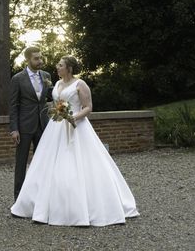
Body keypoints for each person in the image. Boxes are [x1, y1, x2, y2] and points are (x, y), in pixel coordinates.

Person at [11, 55, 139, 226]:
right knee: (48, 164)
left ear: (69, 68)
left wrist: (73, 117)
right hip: (56, 129)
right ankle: (41, 204)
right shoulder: (56, 84)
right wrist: (57, 112)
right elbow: (56, 103)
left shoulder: (80, 84)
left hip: (77, 127)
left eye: (60, 65)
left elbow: (88, 108)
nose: (57, 67)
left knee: (78, 163)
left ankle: (80, 208)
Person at [9, 46, 53, 200]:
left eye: (41, 58)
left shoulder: (47, 75)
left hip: (43, 125)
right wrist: (14, 129)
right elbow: (13, 106)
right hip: (24, 127)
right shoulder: (17, 79)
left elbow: (52, 97)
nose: (40, 61)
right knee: (21, 163)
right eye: (36, 58)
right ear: (27, 59)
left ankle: (41, 197)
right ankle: (19, 199)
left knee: (43, 162)